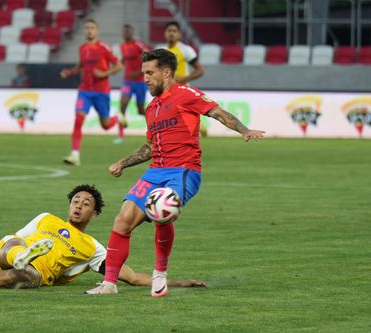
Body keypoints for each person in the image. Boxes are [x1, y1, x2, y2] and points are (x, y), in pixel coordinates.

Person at [85, 49, 265, 296]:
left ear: (166, 72)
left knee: (162, 211)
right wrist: (123, 163)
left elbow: (218, 113)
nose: (145, 78)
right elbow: (149, 147)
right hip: (155, 171)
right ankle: (109, 284)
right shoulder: (152, 108)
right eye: (143, 73)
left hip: (183, 170)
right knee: (123, 219)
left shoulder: (186, 94)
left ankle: (160, 274)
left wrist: (243, 130)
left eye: (150, 73)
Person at [0, 184, 206, 290]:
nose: (79, 205)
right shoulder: (46, 218)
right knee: (14, 244)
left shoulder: (92, 248)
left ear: (94, 214)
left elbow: (129, 276)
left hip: (37, 274)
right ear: (69, 205)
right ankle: (21, 257)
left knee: (22, 277)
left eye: (86, 204)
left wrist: (176, 282)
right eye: (76, 201)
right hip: (11, 251)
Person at [60, 19, 123, 166]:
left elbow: (119, 65)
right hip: (85, 91)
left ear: (97, 31)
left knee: (106, 126)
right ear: (84, 31)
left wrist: (104, 73)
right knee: (78, 120)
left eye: (92, 28)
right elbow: (81, 66)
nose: (89, 30)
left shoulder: (103, 48)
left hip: (101, 92)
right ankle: (75, 155)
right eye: (87, 28)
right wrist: (69, 73)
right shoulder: (82, 48)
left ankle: (117, 117)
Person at [156, 21, 207, 137]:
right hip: (165, 90)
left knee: (180, 117)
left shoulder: (186, 50)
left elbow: (200, 70)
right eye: (169, 31)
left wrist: (184, 79)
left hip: (182, 89)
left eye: (174, 31)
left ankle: (197, 127)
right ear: (165, 33)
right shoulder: (159, 51)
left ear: (179, 34)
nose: (171, 34)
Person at [115, 24, 150, 144]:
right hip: (127, 81)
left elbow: (149, 58)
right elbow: (124, 60)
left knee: (141, 110)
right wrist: (117, 66)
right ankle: (120, 136)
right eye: (124, 32)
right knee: (122, 106)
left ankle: (154, 129)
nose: (126, 34)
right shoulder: (122, 46)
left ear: (131, 33)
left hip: (140, 82)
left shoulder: (138, 45)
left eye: (128, 32)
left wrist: (139, 71)